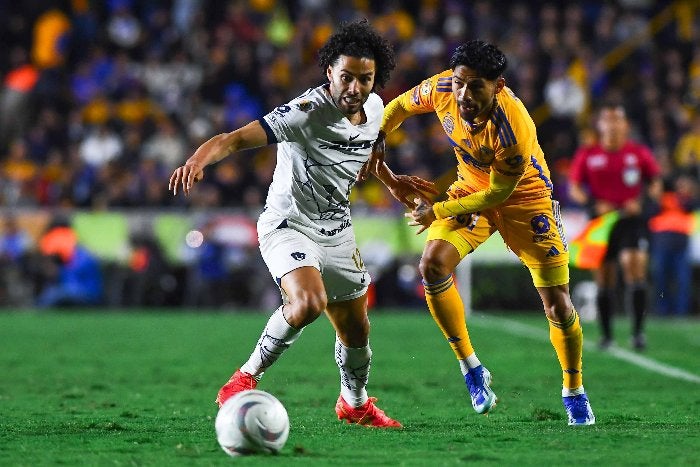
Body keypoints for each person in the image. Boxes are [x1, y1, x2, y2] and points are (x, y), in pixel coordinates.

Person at [169, 20, 435, 428]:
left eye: (365, 79)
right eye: (346, 77)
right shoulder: (305, 112)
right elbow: (236, 138)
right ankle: (243, 378)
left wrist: (392, 181)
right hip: (287, 225)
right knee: (308, 303)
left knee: (356, 331)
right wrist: (197, 160)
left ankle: (355, 403)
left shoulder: (377, 108)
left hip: (337, 231)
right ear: (329, 71)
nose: (354, 88)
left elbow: (372, 147)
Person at [359, 39, 595, 425]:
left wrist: (438, 209)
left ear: (498, 86)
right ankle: (472, 369)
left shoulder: (513, 126)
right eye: (460, 83)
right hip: (471, 188)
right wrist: (378, 136)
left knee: (557, 304)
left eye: (476, 87)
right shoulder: (442, 89)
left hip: (525, 200)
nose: (464, 94)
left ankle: (574, 389)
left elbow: (499, 193)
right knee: (432, 265)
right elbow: (399, 105)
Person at [569, 103, 662, 351]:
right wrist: (593, 204)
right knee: (604, 277)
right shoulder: (588, 155)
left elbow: (655, 183)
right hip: (602, 224)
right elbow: (574, 188)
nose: (612, 124)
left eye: (617, 119)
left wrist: (642, 202)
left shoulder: (639, 153)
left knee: (634, 266)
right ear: (600, 126)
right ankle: (607, 336)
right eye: (607, 120)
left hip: (631, 221)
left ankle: (638, 333)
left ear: (625, 125)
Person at [648, 174, 697, 317]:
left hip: (681, 244)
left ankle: (681, 312)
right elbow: (652, 212)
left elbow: (690, 207)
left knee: (683, 280)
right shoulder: (663, 198)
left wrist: (688, 193)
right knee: (661, 278)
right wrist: (656, 197)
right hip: (662, 242)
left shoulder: (687, 201)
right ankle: (662, 310)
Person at [36, 222, 104, 308]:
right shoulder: (67, 257)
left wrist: (58, 269)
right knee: (51, 291)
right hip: (74, 292)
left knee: (53, 293)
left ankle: (37, 312)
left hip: (88, 293)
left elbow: (71, 284)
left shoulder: (83, 255)